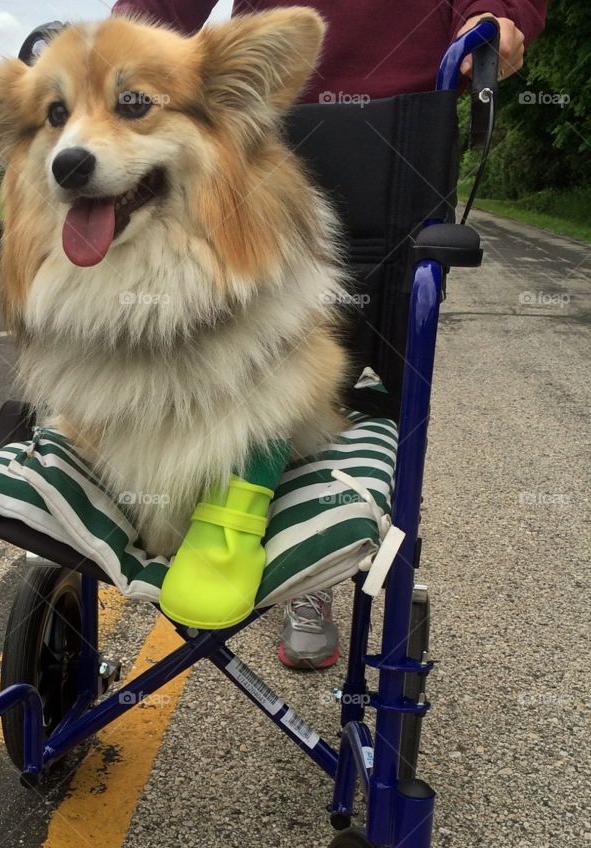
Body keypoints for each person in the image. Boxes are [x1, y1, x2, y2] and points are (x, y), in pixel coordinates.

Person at [111, 0, 546, 669]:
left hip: (403, 111)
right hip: (251, 95)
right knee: (210, 306)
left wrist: (500, 11)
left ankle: (312, 559)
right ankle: (165, 481)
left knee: (372, 344)